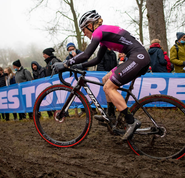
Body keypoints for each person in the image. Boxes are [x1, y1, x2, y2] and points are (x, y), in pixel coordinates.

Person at [53, 10, 150, 141]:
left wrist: (66, 64)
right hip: (135, 57)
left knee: (109, 87)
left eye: (84, 29)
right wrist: (78, 66)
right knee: (105, 79)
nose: (84, 33)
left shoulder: (100, 31)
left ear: (90, 25)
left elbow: (86, 54)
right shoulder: (104, 37)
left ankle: (131, 121)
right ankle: (111, 115)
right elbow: (97, 59)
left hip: (137, 57)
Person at [43, 48, 62, 118]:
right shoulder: (49, 62)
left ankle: (64, 113)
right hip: (51, 83)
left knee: (59, 99)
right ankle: (56, 113)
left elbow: (58, 71)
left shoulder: (54, 61)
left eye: (44, 54)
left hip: (56, 83)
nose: (43, 56)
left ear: (47, 54)